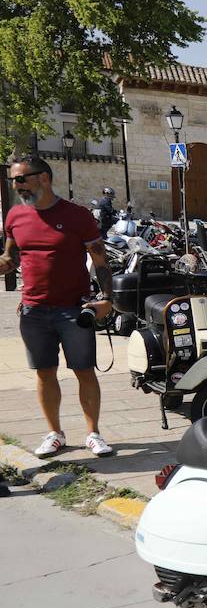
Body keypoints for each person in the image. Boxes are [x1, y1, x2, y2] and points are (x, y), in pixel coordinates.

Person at [1, 156, 116, 459]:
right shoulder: (14, 216)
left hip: (73, 310)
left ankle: (93, 434)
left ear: (44, 178)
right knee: (44, 373)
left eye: (21, 179)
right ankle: (55, 434)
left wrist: (107, 299)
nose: (17, 185)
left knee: (84, 371)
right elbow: (11, 259)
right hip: (33, 311)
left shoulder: (77, 215)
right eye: (14, 180)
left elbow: (101, 260)